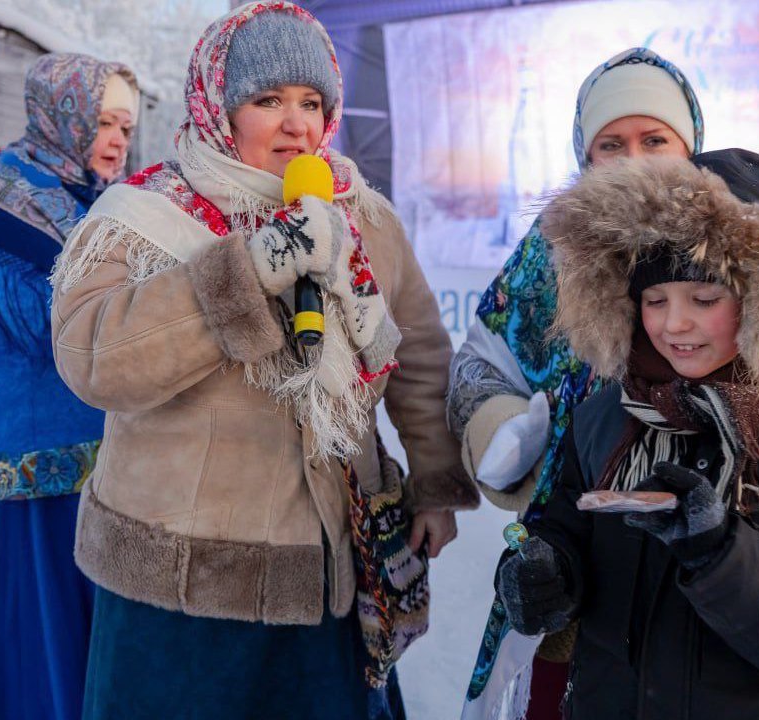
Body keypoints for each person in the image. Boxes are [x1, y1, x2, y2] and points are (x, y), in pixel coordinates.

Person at [453, 47, 759, 719]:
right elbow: (484, 357)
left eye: (654, 141)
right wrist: (534, 539)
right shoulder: (596, 400)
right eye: (610, 144)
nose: (677, 324)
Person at [48, 4, 477, 718]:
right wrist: (246, 271)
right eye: (267, 100)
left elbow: (423, 359)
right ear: (219, 104)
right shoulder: (142, 215)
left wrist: (434, 483)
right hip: (183, 586)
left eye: (311, 102)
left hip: (328, 577)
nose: (296, 123)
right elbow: (93, 359)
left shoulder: (363, 216)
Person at [0, 53, 138, 720]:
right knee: (35, 641)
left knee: (80, 642)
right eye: (102, 121)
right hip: (27, 463)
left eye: (126, 127)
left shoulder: (92, 200)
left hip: (93, 451)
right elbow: (60, 331)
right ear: (61, 115)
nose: (115, 141)